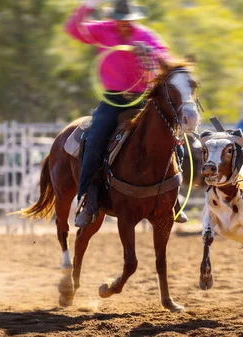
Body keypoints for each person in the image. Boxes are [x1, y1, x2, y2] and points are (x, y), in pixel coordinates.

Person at [65, 0, 177, 227]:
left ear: (135, 18)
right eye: (120, 19)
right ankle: (86, 197)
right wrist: (86, 7)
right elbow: (73, 29)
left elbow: (169, 62)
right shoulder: (102, 30)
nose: (124, 24)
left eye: (128, 19)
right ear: (113, 17)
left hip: (142, 98)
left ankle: (173, 195)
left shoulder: (146, 36)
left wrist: (151, 53)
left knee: (172, 135)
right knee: (95, 138)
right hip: (113, 99)